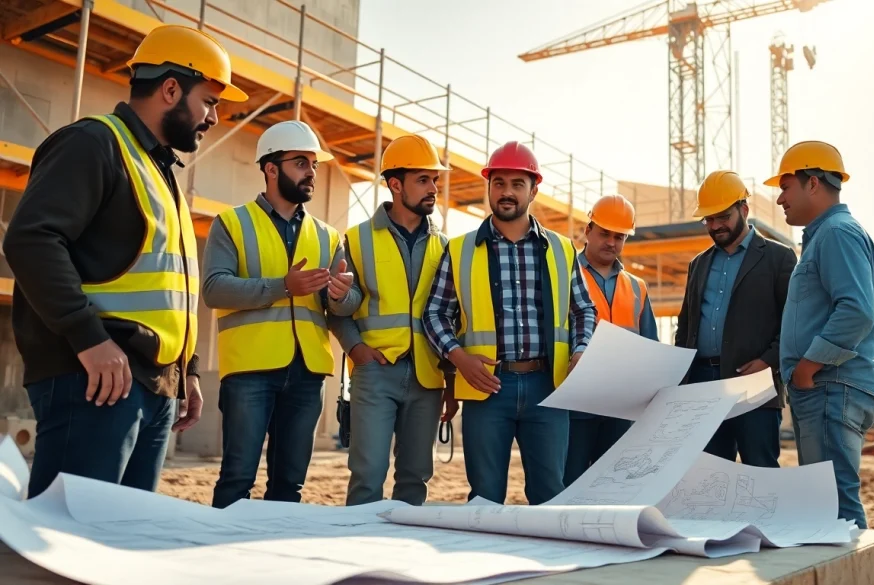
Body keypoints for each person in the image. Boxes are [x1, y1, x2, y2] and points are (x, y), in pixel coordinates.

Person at [3, 25, 248, 498]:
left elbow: (170, 285)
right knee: (71, 545)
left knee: (119, 542)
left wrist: (186, 371)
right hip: (94, 378)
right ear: (170, 89)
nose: (214, 117)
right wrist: (88, 338)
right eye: (210, 101)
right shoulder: (93, 143)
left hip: (152, 386)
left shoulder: (161, 170)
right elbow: (32, 240)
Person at [422, 141, 597, 505]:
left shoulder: (562, 249)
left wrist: (580, 352)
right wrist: (458, 358)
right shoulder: (459, 249)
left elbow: (584, 310)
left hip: (547, 386)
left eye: (517, 184)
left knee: (551, 495)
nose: (506, 192)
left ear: (534, 190)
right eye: (498, 182)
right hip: (487, 389)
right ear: (488, 186)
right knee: (485, 497)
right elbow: (434, 313)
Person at [202, 120, 352, 508]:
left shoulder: (328, 236)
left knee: (290, 486)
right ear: (272, 168)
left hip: (307, 373)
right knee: (237, 479)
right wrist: (282, 286)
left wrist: (341, 295)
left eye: (314, 165)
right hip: (250, 369)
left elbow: (339, 309)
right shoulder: (232, 223)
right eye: (301, 162)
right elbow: (214, 289)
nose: (312, 172)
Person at [769, 141, 874, 530]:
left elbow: (856, 311)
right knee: (825, 504)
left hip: (831, 385)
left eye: (786, 186)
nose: (780, 198)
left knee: (834, 506)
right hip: (828, 385)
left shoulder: (837, 234)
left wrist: (807, 367)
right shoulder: (831, 236)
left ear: (813, 183)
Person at [337, 134, 459, 506]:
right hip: (375, 370)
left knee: (415, 476)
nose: (433, 189)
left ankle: (398, 552)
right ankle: (357, 552)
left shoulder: (446, 245)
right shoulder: (356, 239)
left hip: (427, 374)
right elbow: (338, 307)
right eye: (423, 180)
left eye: (435, 180)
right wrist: (355, 349)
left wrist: (450, 382)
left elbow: (453, 317)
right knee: (367, 474)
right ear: (395, 184)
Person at [675, 170, 797, 468]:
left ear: (744, 209)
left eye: (722, 217)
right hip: (703, 383)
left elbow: (793, 324)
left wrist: (769, 361)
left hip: (754, 380)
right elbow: (686, 327)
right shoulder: (698, 265)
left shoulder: (779, 259)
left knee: (760, 469)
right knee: (711, 474)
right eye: (708, 219)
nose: (715, 226)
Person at [563, 194, 657, 486]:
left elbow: (649, 348)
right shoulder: (563, 276)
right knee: (570, 485)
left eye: (620, 236)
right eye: (604, 233)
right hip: (574, 406)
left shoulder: (637, 287)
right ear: (587, 230)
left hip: (620, 408)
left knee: (613, 488)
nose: (611, 242)